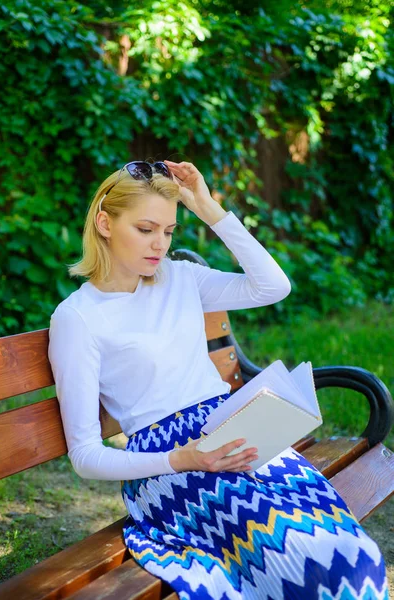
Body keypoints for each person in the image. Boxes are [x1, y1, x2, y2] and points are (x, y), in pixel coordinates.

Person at [48, 159, 388, 600]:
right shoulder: (78, 318)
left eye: (169, 232)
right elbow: (85, 455)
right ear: (105, 223)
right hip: (167, 464)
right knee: (297, 561)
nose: (159, 245)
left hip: (233, 430)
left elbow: (273, 287)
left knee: (348, 555)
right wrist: (182, 459)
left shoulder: (179, 278)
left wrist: (208, 208)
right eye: (146, 229)